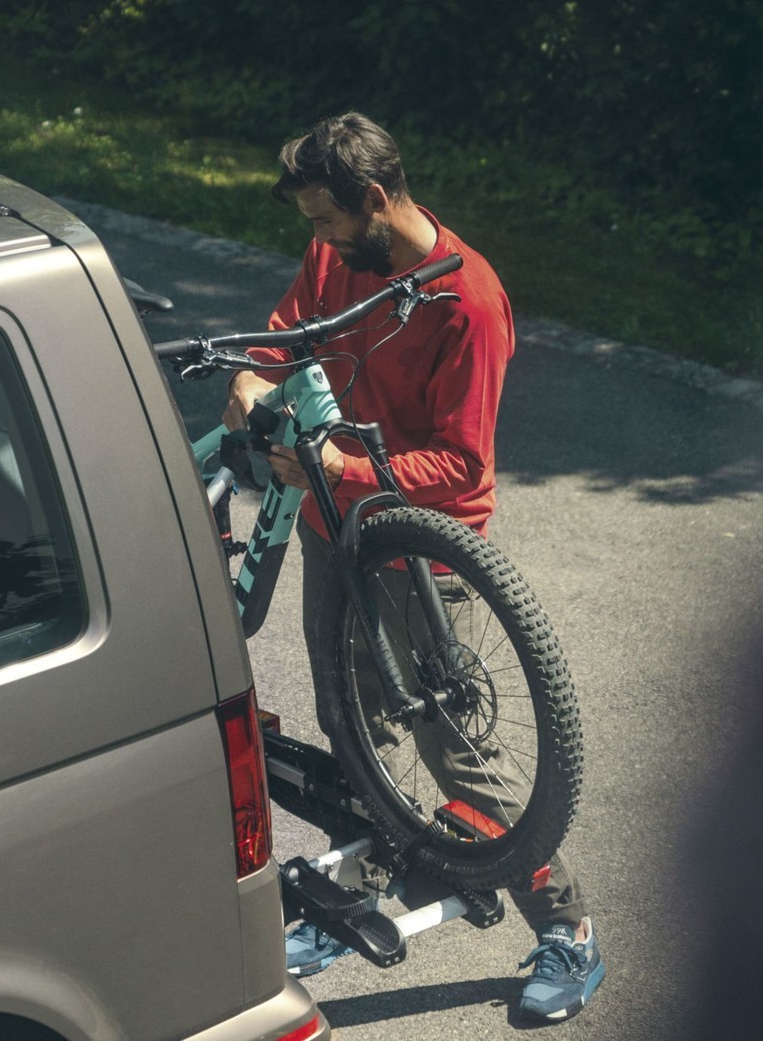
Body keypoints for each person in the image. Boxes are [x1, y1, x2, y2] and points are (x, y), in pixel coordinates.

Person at [224, 112, 605, 1022]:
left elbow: (462, 469)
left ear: (376, 201)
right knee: (354, 723)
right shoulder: (336, 258)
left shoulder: (466, 302)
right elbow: (291, 331)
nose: (315, 241)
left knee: (457, 748)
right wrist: (253, 376)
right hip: (330, 530)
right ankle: (369, 881)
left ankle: (568, 930)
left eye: (324, 221)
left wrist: (341, 465)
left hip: (419, 554)